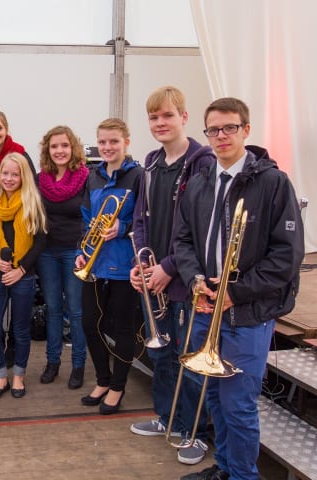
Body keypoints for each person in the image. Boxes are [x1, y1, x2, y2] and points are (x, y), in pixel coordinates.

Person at [176, 97, 303, 480]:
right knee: (214, 396)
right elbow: (182, 242)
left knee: (238, 404)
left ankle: (244, 476)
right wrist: (196, 279)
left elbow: (287, 255)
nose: (221, 136)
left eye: (229, 127)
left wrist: (237, 292)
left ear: (246, 129)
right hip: (206, 303)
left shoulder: (273, 182)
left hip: (247, 311)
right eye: (213, 129)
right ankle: (227, 468)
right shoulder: (199, 183)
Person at [127, 86, 215, 466]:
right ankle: (168, 419)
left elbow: (197, 226)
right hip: (156, 275)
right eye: (153, 117)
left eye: (167, 115)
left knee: (191, 359)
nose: (160, 123)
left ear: (184, 117)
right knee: (159, 351)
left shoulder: (202, 162)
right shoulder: (150, 162)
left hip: (185, 279)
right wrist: (143, 262)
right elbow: (140, 218)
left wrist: (167, 267)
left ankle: (198, 432)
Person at [77, 118, 143, 415]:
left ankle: (117, 386)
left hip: (124, 264)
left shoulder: (139, 176)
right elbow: (86, 217)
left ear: (126, 142)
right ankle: (103, 379)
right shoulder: (93, 176)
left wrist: (124, 225)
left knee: (123, 328)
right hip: (94, 263)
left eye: (114, 141)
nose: (107, 147)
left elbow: (147, 219)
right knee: (90, 324)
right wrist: (82, 249)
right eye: (102, 142)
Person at [0, 152, 47, 398]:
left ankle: (18, 376)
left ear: (23, 176)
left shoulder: (32, 202)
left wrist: (20, 270)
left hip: (24, 275)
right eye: (5, 173)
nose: (9, 178)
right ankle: (1, 377)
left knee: (20, 330)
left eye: (15, 174)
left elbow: (40, 241)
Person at [35, 126, 88, 389]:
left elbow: (90, 217)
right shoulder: (39, 179)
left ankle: (78, 365)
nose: (59, 151)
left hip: (74, 252)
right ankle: (52, 362)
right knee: (53, 310)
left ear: (73, 147)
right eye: (54, 146)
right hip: (46, 252)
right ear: (47, 150)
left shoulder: (85, 178)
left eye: (64, 146)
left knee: (76, 312)